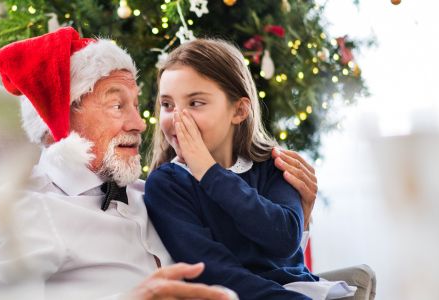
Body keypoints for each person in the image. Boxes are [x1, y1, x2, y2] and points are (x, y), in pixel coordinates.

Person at [0, 27, 319, 299]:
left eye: (137, 105)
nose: (139, 124)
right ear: (58, 122)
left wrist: (299, 222)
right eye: (117, 105)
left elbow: (243, 261)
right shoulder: (24, 209)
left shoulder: (147, 192)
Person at [143, 39, 356, 300]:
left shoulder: (273, 164)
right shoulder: (166, 184)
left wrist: (209, 172)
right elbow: (213, 272)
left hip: (300, 290)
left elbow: (285, 239)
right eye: (167, 105)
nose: (178, 118)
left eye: (195, 103)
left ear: (239, 110)